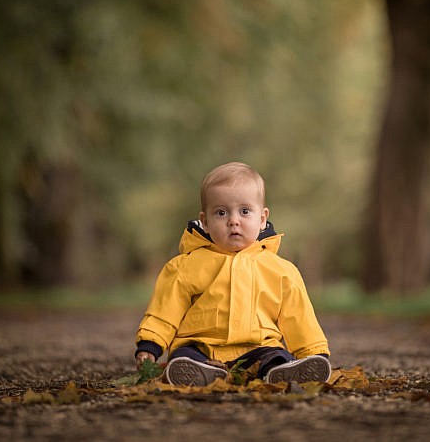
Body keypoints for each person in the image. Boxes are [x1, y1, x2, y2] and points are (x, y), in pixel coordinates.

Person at [134, 162, 331, 386]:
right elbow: (165, 309)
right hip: (201, 347)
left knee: (276, 357)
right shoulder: (186, 266)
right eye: (221, 212)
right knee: (184, 356)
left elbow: (299, 316)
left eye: (245, 211)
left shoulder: (281, 271)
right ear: (205, 222)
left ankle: (282, 374)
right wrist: (150, 345)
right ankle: (196, 374)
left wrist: (314, 352)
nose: (233, 220)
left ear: (262, 218)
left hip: (257, 348)